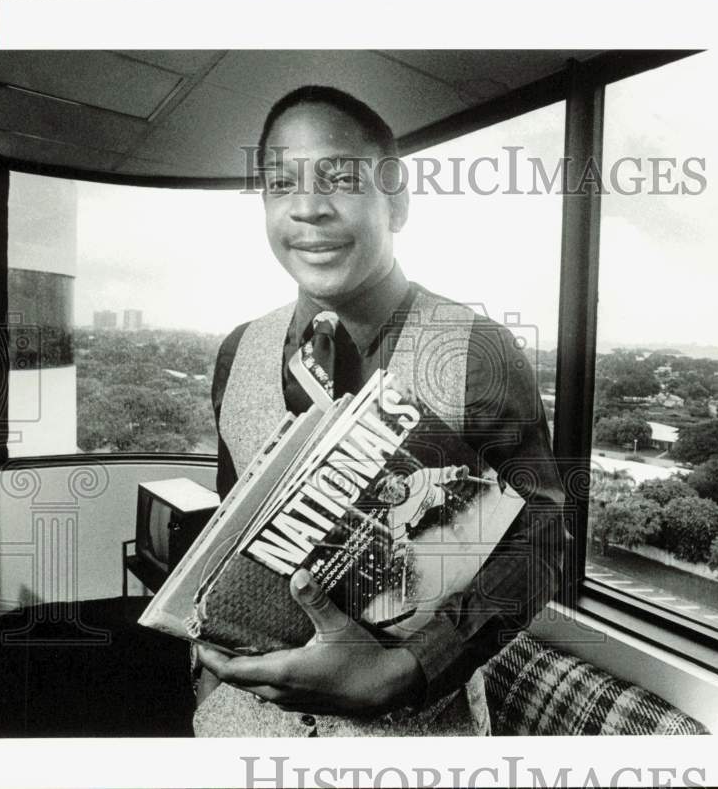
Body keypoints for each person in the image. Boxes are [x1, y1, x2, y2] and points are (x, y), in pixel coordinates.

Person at [194, 85, 568, 737]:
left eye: (338, 178)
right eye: (281, 184)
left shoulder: (478, 349)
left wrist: (402, 671)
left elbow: (538, 542)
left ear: (396, 200)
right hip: (238, 730)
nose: (308, 208)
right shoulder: (238, 350)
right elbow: (235, 531)